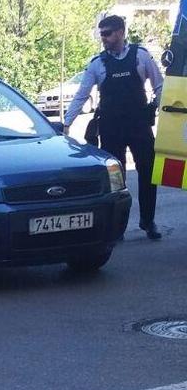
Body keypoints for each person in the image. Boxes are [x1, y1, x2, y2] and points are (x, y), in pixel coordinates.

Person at [64, 15, 164, 240]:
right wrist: (67, 123)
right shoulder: (97, 64)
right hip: (111, 128)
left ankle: (148, 221)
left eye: (107, 33)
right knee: (115, 180)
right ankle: (117, 228)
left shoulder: (141, 56)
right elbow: (82, 95)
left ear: (120, 32)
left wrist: (158, 108)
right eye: (101, 34)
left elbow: (159, 86)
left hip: (139, 126)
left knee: (148, 173)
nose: (104, 39)